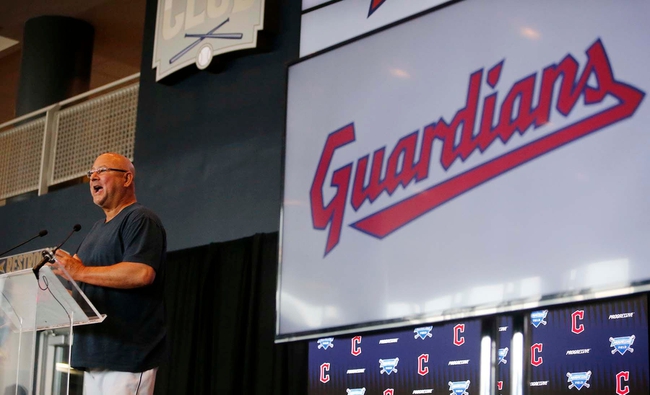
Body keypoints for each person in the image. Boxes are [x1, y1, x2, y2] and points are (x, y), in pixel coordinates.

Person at [51, 152, 167, 395]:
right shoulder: (95, 230)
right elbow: (83, 285)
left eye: (101, 171)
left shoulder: (139, 219)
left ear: (126, 179)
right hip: (93, 354)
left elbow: (141, 273)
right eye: (91, 173)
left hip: (127, 354)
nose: (93, 177)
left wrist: (79, 271)